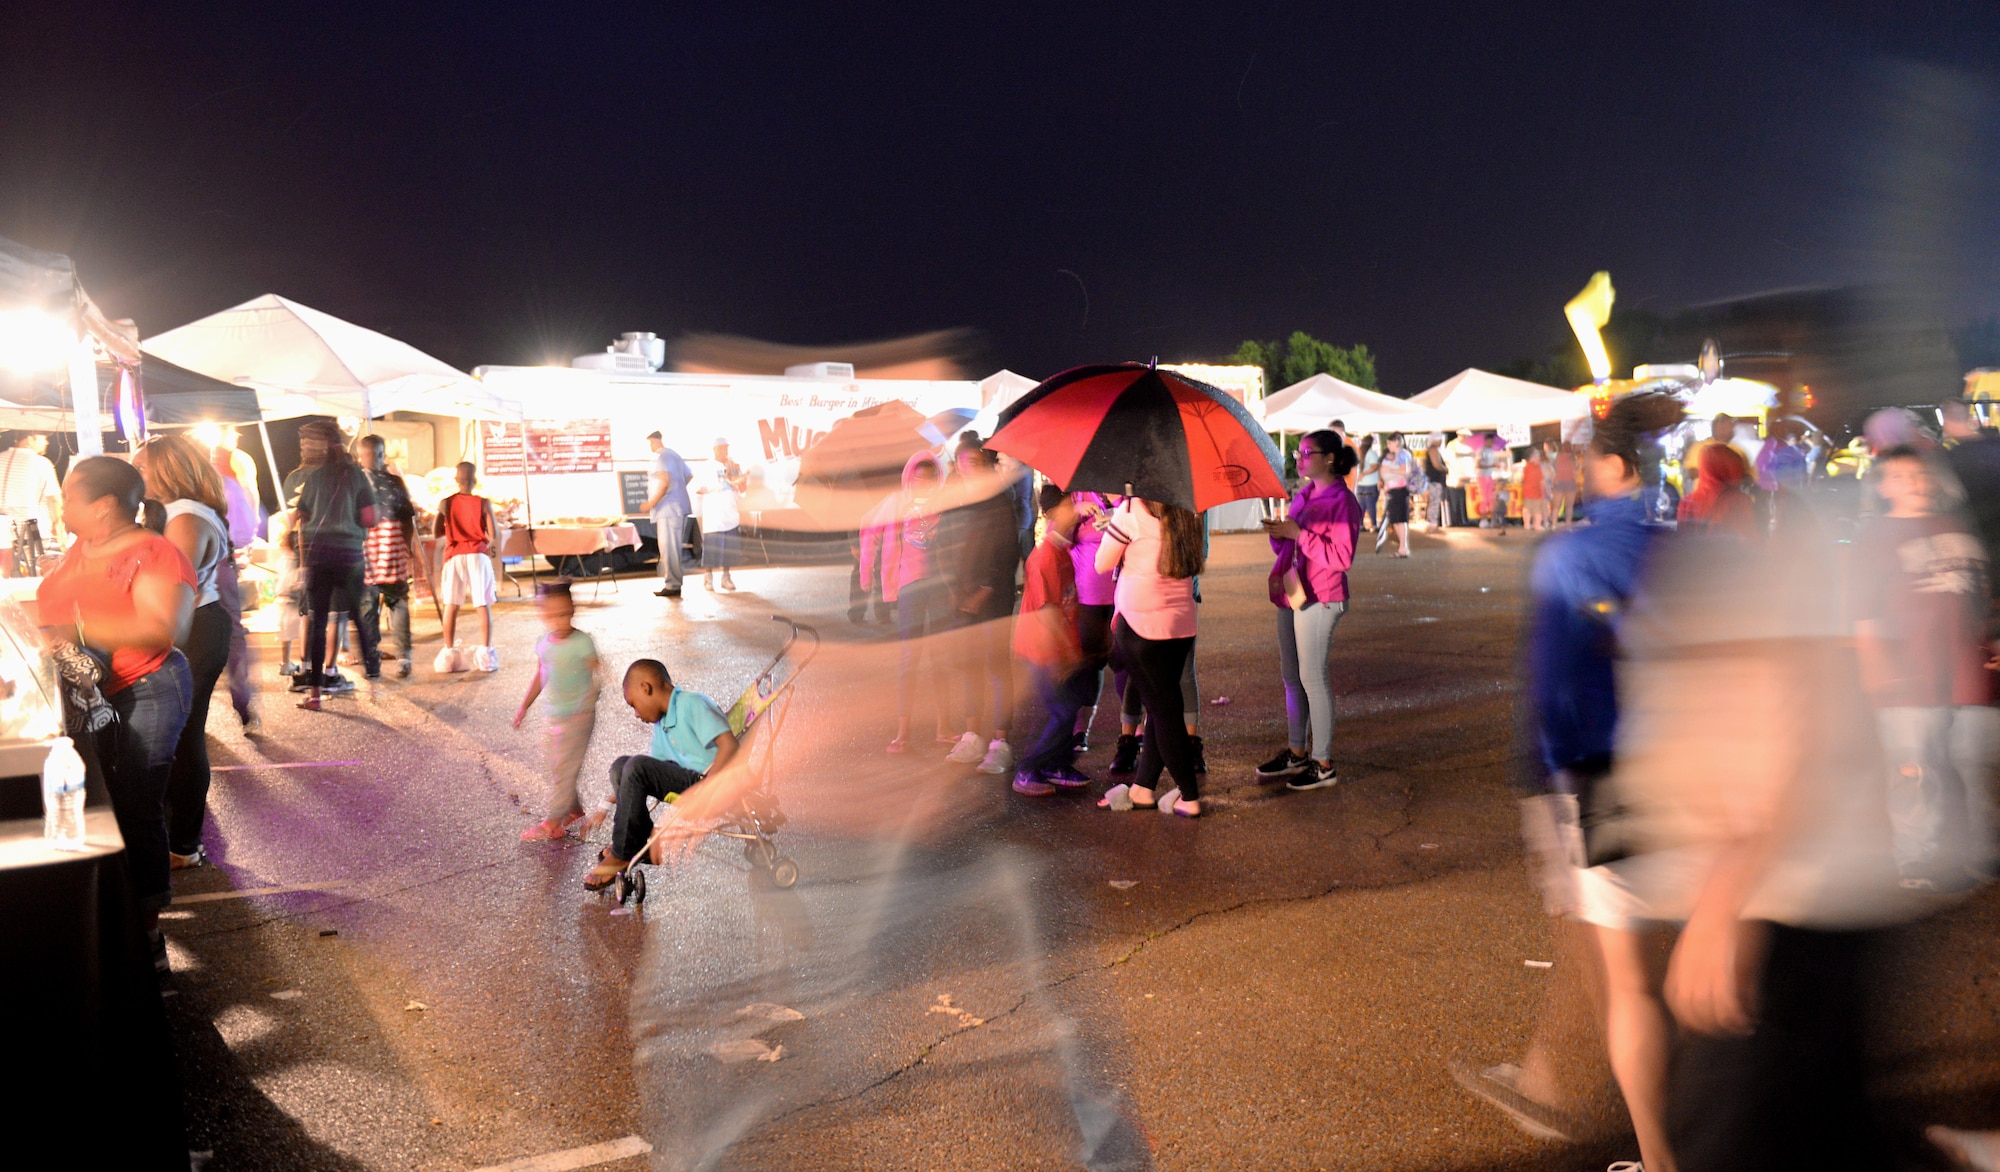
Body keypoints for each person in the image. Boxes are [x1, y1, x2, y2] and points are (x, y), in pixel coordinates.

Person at [1457, 392, 1682, 1168]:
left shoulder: (1571, 556)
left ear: (1616, 467)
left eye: (1590, 458)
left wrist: (1544, 787)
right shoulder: (1685, 548)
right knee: (1676, 962)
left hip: (1602, 778)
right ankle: (1552, 1079)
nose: (1581, 469)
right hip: (1691, 774)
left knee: (1627, 980)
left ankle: (1655, 1149)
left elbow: (1552, 694)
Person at [37, 456, 195, 963]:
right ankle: (111, 913)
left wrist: (74, 633)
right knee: (101, 803)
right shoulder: (84, 546)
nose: (61, 504)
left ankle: (148, 933)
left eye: (68, 495)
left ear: (103, 506)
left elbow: (163, 628)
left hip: (146, 688)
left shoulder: (155, 552)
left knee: (135, 804)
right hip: (92, 693)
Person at [1853, 446, 1998, 889]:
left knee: (1980, 766)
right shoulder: (1873, 539)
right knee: (1915, 772)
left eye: (1918, 474)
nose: (1913, 482)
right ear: (1882, 487)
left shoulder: (1958, 529)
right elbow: (1863, 612)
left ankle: (1983, 854)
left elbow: (1982, 597)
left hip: (1970, 671)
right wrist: (1876, 668)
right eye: (1899, 476)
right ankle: (1916, 857)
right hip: (1909, 676)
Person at [135, 435, 235, 872]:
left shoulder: (188, 517)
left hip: (196, 629)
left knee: (184, 735)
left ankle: (184, 843)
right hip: (193, 626)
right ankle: (181, 836)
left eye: (140, 468)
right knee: (177, 734)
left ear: (167, 469)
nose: (134, 475)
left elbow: (173, 583)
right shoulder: (172, 513)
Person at [1257, 431, 1361, 791]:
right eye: (1298, 452)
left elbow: (1341, 558)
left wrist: (1298, 534)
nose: (1299, 458)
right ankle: (1297, 751)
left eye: (1306, 452)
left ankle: (1323, 762)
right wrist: (1279, 533)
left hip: (1323, 596)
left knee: (1313, 679)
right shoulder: (1303, 495)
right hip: (1294, 591)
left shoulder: (1342, 502)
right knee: (1292, 676)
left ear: (1329, 458)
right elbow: (1287, 546)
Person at [582, 658, 739, 890]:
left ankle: (622, 852)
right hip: (684, 779)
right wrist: (605, 804)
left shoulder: (692, 703)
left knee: (636, 766)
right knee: (621, 766)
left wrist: (706, 790)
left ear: (646, 688)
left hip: (707, 782)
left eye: (634, 704)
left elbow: (730, 746)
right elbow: (636, 777)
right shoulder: (663, 724)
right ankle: (640, 843)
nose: (636, 714)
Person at [1093, 496, 1205, 817]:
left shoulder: (1130, 511)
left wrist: (1113, 529)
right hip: (1181, 621)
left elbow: (1102, 563)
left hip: (1140, 622)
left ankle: (1189, 795)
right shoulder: (1187, 509)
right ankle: (1143, 787)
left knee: (1165, 710)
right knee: (1160, 707)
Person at [860, 452, 953, 753]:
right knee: (909, 659)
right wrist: (867, 573)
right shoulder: (896, 503)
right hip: (909, 588)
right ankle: (902, 732)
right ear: (909, 477)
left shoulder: (946, 503)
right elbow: (868, 528)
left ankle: (944, 727)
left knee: (941, 657)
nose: (922, 482)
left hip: (940, 589)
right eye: (917, 476)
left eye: (928, 477)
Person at [943, 438, 1020, 776]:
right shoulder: (959, 501)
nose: (967, 469)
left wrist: (984, 590)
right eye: (962, 463)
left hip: (993, 598)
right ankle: (972, 735)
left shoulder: (1000, 502)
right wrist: (954, 590)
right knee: (970, 666)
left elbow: (1006, 553)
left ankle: (1000, 742)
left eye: (973, 462)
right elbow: (947, 548)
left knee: (996, 666)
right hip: (964, 601)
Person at [1011, 485, 1091, 796]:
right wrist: (1067, 654)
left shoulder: (1061, 551)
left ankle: (1055, 765)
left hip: (1058, 649)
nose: (1077, 509)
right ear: (1053, 512)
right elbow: (1048, 614)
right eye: (1072, 504)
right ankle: (1029, 769)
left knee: (1067, 710)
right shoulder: (1044, 557)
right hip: (1043, 650)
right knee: (1061, 711)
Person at [293, 421, 379, 709]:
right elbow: (370, 518)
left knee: (318, 623)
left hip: (319, 556)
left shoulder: (314, 478)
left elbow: (299, 517)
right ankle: (375, 682)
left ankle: (315, 693)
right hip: (350, 556)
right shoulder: (356, 476)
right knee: (356, 616)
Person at [514, 582, 602, 841]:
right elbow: (541, 674)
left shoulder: (582, 642)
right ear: (542, 615)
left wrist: (590, 698)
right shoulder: (543, 643)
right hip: (555, 714)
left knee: (566, 768)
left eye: (566, 613)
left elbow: (599, 673)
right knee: (558, 766)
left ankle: (553, 822)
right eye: (553, 615)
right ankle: (573, 809)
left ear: (573, 609)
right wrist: (524, 706)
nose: (561, 620)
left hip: (581, 716)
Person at [357, 435, 417, 678]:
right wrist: (408, 546)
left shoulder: (355, 482)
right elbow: (408, 518)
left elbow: (406, 517)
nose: (375, 459)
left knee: (368, 607)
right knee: (397, 603)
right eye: (375, 454)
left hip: (366, 552)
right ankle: (403, 657)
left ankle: (372, 660)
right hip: (390, 550)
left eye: (377, 454)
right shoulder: (394, 482)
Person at [1068, 490, 1121, 754]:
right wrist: (1072, 514)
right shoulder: (1078, 492)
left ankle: (1134, 733)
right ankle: (1081, 730)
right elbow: (1055, 536)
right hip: (1087, 591)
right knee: (1090, 662)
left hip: (1124, 590)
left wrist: (1120, 518)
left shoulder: (1132, 494)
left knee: (1126, 664)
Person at [434, 460, 498, 672]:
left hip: (453, 556)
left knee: (451, 605)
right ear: (475, 479)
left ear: (456, 479)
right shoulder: (483, 503)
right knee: (482, 604)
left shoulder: (445, 503)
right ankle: (486, 655)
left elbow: (437, 533)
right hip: (477, 555)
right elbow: (493, 535)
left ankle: (449, 653)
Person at [0, 430, 63, 569]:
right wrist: (61, 534)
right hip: (32, 535)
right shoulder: (41, 463)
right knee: (34, 574)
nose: (47, 442)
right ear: (29, 439)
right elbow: (55, 500)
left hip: (3, 536)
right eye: (44, 438)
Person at [643, 430, 693, 598]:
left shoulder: (660, 456)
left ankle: (672, 584)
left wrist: (651, 503)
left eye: (650, 443)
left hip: (668, 509)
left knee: (668, 548)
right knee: (673, 547)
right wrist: (678, 491)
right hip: (679, 507)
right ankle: (673, 582)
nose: (650, 446)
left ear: (654, 441)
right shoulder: (674, 455)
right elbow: (689, 475)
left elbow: (664, 481)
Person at [1676, 442, 1756, 538]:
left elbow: (1682, 540)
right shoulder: (1739, 501)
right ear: (1730, 469)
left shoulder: (1686, 502)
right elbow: (1748, 539)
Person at [695, 437, 743, 592]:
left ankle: (726, 577)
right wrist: (713, 488)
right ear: (714, 449)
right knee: (711, 548)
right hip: (714, 515)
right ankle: (708, 578)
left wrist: (737, 480)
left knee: (729, 548)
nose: (724, 451)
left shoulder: (734, 466)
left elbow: (742, 486)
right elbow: (698, 488)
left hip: (730, 513)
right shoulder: (707, 467)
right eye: (721, 448)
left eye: (726, 448)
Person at [1374, 433, 1415, 556]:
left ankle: (1403, 547)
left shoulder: (1403, 454)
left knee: (1400, 519)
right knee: (1396, 519)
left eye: (1390, 443)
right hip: (1392, 489)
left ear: (1397, 442)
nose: (1388, 445)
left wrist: (1389, 471)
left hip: (1400, 490)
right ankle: (1402, 547)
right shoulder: (1393, 455)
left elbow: (1405, 470)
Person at [1424, 433, 1452, 529]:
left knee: (1434, 501)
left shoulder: (1433, 450)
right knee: (1434, 501)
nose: (1441, 442)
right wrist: (1445, 469)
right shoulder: (1433, 450)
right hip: (1435, 480)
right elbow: (1436, 464)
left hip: (1434, 480)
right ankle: (1432, 523)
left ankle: (1432, 522)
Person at [1519, 443, 1548, 531]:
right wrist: (1547, 490)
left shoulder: (1526, 467)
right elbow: (1541, 480)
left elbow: (1523, 479)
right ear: (1533, 456)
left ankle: (1527, 525)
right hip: (1536, 492)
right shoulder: (1537, 467)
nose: (1539, 456)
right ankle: (1537, 525)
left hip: (1527, 492)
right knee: (1537, 510)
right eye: (1537, 454)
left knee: (1527, 509)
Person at [1355, 436, 1380, 533]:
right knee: (1371, 505)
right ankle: (1373, 524)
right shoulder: (1371, 454)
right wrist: (1364, 473)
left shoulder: (1359, 453)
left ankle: (1360, 525)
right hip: (1370, 483)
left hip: (1361, 484)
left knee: (1362, 506)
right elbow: (1374, 467)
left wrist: (1360, 475)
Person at [1549, 441, 1577, 527]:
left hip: (1559, 482)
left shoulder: (1557, 457)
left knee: (1556, 506)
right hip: (1570, 483)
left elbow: (1552, 471)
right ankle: (1568, 524)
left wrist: (1553, 481)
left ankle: (1553, 525)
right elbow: (1576, 472)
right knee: (1569, 506)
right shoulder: (1573, 458)